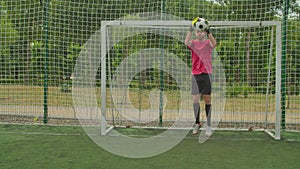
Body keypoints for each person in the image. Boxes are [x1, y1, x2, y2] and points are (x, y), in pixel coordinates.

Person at [184, 18, 217, 136]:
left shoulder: (208, 42)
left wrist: (209, 32)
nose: (200, 33)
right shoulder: (193, 42)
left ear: (205, 32)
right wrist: (190, 30)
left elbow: (214, 44)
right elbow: (186, 42)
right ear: (195, 32)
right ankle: (197, 123)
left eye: (202, 31)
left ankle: (208, 125)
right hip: (195, 75)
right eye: (198, 31)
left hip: (207, 74)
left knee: (207, 100)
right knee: (195, 100)